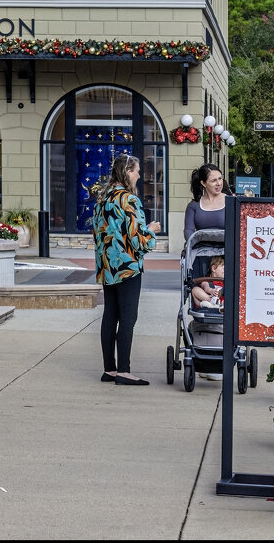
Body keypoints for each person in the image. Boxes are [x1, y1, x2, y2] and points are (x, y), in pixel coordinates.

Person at [93, 154, 161, 386]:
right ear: (127, 172)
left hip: (107, 266)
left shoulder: (103, 198)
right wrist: (151, 229)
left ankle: (109, 369)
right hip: (127, 267)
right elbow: (138, 239)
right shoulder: (128, 199)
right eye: (137, 171)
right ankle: (124, 370)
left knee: (110, 315)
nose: (139, 175)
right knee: (128, 317)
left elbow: (98, 233)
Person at [183, 163, 226, 242]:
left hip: (227, 250)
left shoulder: (231, 202)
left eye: (220, 178)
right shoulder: (193, 206)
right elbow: (188, 231)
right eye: (213, 180)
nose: (219, 183)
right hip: (201, 251)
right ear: (203, 183)